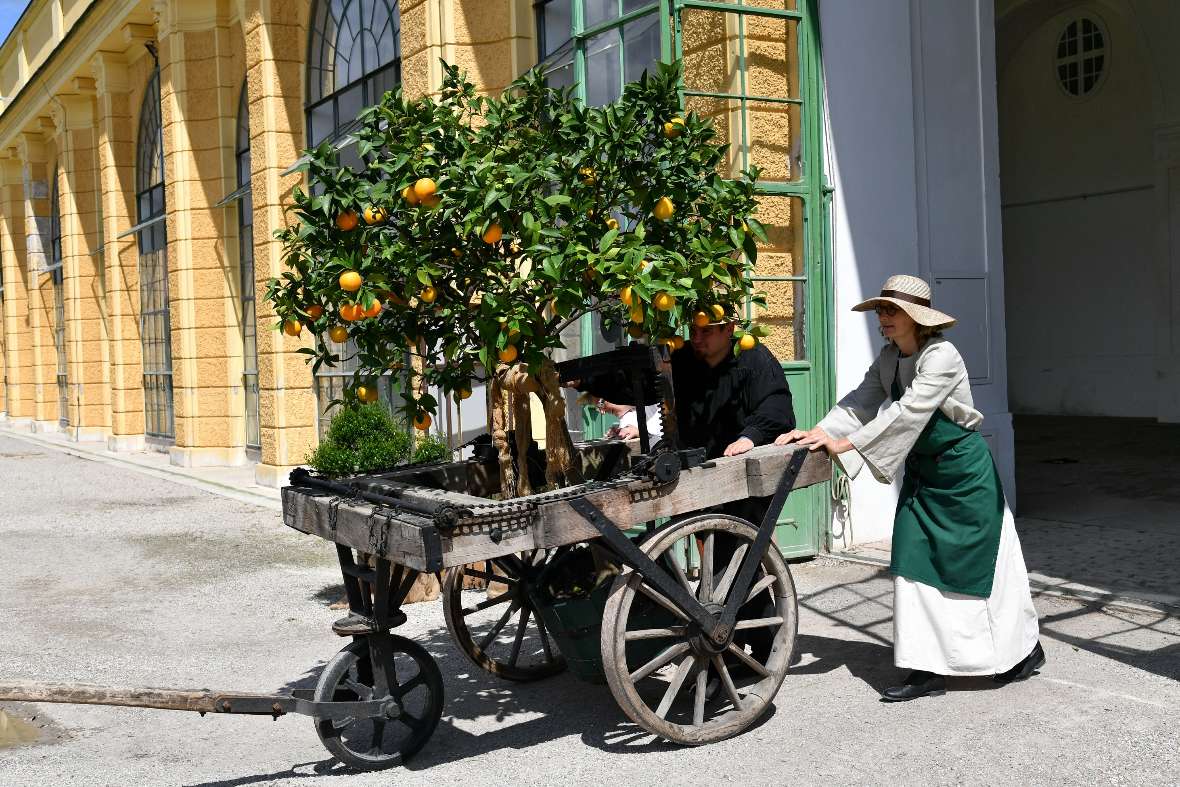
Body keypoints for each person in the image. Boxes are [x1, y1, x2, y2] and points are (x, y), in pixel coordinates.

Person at [776, 275, 1043, 701]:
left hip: (965, 478)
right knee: (913, 563)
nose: (882, 318)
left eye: (890, 310)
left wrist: (845, 444)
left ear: (916, 318)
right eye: (880, 310)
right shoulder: (887, 359)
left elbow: (910, 410)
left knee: (988, 569)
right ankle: (925, 669)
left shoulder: (943, 356)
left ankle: (1021, 651)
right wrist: (817, 433)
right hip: (925, 477)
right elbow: (858, 403)